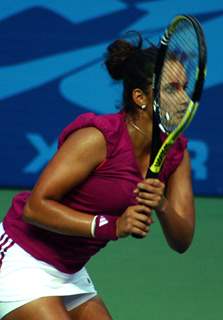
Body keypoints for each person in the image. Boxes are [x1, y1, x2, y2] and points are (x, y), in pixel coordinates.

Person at [0, 32, 195, 320]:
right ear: (140, 97)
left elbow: (182, 241)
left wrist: (162, 205)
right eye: (172, 89)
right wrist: (112, 227)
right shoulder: (98, 138)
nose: (185, 99)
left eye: (186, 88)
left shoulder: (175, 153)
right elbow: (35, 208)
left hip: (70, 268)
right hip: (22, 256)